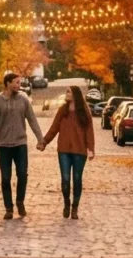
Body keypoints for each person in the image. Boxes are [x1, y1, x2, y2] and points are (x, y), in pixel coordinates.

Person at [0, 72, 45, 220]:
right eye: (16, 82)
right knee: (5, 178)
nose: (19, 85)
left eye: (19, 83)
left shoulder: (23, 100)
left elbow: (32, 120)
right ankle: (8, 208)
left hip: (20, 144)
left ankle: (20, 201)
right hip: (3, 145)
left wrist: (40, 139)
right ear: (8, 83)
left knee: (22, 175)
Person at [40, 88, 97, 219]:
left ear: (75, 95)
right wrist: (44, 142)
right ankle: (66, 203)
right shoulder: (62, 110)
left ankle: (75, 207)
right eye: (66, 92)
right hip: (64, 150)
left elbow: (89, 130)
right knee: (65, 179)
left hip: (80, 150)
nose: (66, 94)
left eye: (69, 92)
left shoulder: (84, 111)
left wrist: (91, 149)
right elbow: (54, 128)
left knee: (77, 179)